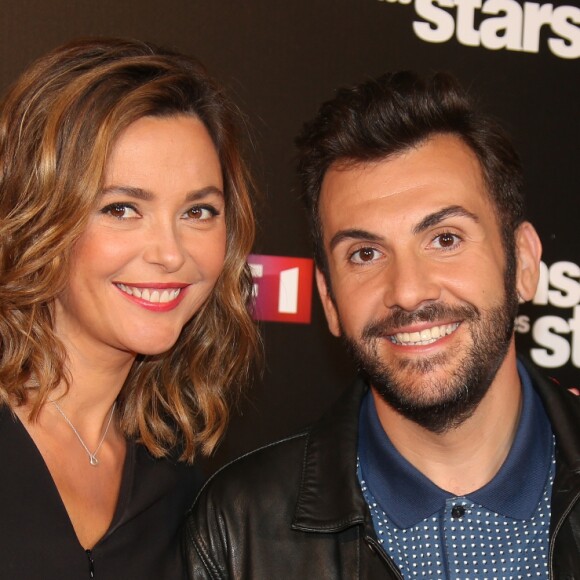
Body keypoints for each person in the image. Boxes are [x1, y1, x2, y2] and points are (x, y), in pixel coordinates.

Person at [184, 71, 580, 578]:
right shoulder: (237, 529)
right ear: (328, 299)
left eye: (445, 239)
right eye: (365, 253)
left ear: (523, 262)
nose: (408, 291)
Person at [0, 37, 258, 579]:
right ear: (39, 214)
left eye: (199, 211)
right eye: (122, 208)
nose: (170, 252)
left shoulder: (180, 483)